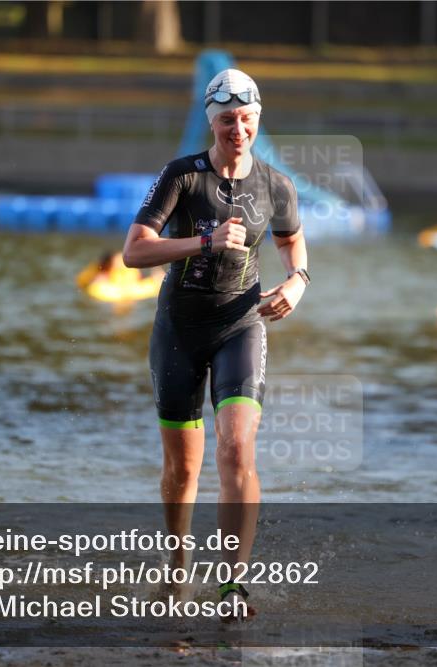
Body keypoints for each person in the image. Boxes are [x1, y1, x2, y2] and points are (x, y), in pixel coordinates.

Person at [122, 68, 308, 619]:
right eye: (228, 120)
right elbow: (134, 251)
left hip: (240, 325)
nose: (239, 130)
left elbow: (292, 240)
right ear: (212, 122)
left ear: (258, 120)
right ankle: (177, 569)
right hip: (179, 330)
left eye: (247, 119)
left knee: (236, 447)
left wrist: (298, 281)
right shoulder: (182, 176)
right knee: (182, 471)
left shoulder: (276, 185)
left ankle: (233, 585)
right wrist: (204, 240)